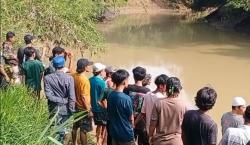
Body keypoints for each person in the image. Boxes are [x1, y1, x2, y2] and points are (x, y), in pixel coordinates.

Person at [44, 56, 76, 143]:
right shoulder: (69, 78)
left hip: (53, 108)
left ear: (53, 65)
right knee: (64, 131)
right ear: (63, 65)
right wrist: (72, 109)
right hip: (66, 109)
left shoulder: (47, 78)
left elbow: (49, 96)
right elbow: (72, 97)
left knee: (55, 130)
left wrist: (62, 100)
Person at [149, 77, 187, 145]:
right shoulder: (183, 105)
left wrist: (150, 136)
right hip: (177, 142)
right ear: (178, 90)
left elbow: (152, 124)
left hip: (160, 141)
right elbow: (185, 127)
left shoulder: (158, 103)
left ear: (166, 88)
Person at [107, 69, 135, 145]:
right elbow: (131, 118)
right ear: (124, 81)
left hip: (114, 132)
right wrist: (132, 127)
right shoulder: (126, 98)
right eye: (128, 79)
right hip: (126, 133)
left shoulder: (110, 95)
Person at [124, 66, 150, 145]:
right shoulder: (148, 91)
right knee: (143, 142)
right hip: (142, 121)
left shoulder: (127, 88)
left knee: (129, 141)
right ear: (144, 77)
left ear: (133, 76)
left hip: (128, 120)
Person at [71, 58, 93, 145]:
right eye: (88, 66)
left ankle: (74, 143)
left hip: (75, 105)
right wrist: (88, 110)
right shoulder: (84, 80)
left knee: (75, 127)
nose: (90, 67)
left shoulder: (74, 75)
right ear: (85, 67)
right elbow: (84, 97)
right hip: (83, 108)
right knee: (83, 130)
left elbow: (70, 71)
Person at [89, 62, 107, 145]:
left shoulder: (89, 80)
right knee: (100, 125)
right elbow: (104, 97)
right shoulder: (102, 83)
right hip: (100, 108)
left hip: (91, 107)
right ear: (100, 71)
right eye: (103, 70)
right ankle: (98, 142)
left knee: (95, 125)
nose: (104, 72)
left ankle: (96, 140)